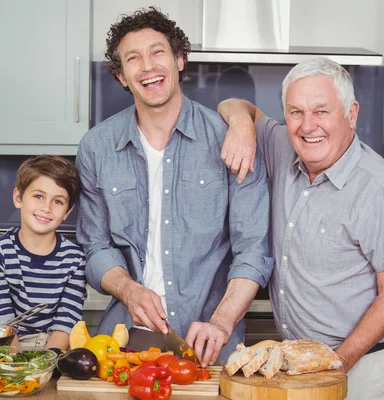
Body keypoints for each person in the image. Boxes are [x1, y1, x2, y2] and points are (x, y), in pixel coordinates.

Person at [75, 7, 273, 366]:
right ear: (121, 76)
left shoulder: (230, 139)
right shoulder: (96, 147)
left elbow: (253, 252)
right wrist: (129, 290)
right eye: (133, 59)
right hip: (126, 345)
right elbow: (96, 247)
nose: (148, 67)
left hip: (212, 345)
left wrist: (222, 321)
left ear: (180, 60)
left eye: (157, 52)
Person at [218, 58, 384, 399]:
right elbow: (235, 105)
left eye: (322, 111)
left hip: (362, 368)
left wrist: (337, 365)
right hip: (301, 370)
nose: (308, 126)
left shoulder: (381, 185)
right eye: (295, 112)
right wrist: (241, 125)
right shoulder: (283, 146)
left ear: (351, 114)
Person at [0, 155, 87, 350]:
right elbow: (3, 321)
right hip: (11, 346)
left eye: (58, 201)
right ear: (18, 198)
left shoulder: (75, 259)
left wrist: (48, 362)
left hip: (55, 348)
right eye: (38, 196)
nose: (46, 208)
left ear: (67, 212)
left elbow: (65, 322)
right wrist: (20, 366)